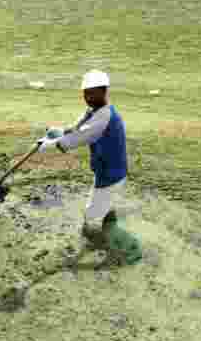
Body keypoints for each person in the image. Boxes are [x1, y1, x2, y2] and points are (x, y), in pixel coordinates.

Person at [38, 70, 139, 264]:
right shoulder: (96, 110)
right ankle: (109, 221)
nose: (88, 97)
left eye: (92, 93)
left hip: (111, 174)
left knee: (91, 215)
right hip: (109, 170)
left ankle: (105, 244)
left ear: (104, 91)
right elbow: (77, 127)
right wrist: (59, 131)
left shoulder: (104, 117)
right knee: (103, 204)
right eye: (85, 93)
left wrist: (49, 145)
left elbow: (78, 138)